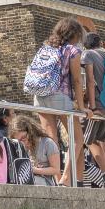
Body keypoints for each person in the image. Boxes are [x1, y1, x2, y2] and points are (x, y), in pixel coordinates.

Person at [26, 18, 85, 186]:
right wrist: (81, 107)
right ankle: (66, 177)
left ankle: (55, 178)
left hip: (40, 95)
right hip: (60, 97)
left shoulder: (46, 47)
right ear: (74, 35)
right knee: (77, 139)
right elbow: (76, 81)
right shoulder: (72, 50)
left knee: (51, 139)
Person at [78, 33, 105, 180]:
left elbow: (90, 82)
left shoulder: (88, 54)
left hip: (98, 106)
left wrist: (92, 107)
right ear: (101, 43)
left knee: (87, 139)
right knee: (100, 141)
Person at [10, 112, 60, 186]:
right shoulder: (19, 146)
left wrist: (33, 170)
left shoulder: (47, 143)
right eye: (19, 140)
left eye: (24, 137)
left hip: (44, 181)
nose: (23, 142)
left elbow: (55, 169)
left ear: (30, 131)